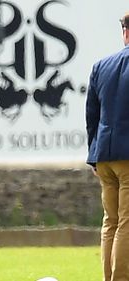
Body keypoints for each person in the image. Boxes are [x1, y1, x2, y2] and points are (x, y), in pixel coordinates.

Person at [85, 12, 129, 281]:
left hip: (104, 156)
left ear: (125, 32)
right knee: (127, 221)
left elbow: (92, 115)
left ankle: (109, 277)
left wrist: (93, 155)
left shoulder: (101, 65)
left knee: (110, 222)